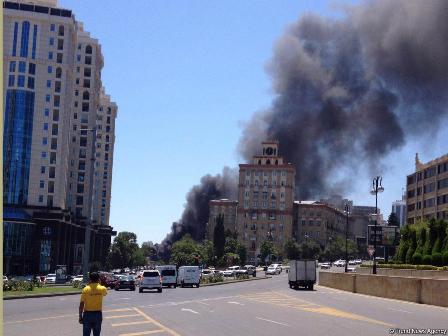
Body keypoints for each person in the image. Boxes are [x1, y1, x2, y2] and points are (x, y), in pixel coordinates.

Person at [79, 272, 107, 336]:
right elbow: (105, 294)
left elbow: (81, 304)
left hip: (87, 315)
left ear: (90, 279)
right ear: (98, 279)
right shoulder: (102, 289)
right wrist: (99, 283)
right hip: (97, 314)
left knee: (86, 334)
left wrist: (80, 316)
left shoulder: (85, 289)